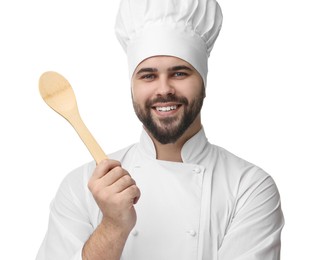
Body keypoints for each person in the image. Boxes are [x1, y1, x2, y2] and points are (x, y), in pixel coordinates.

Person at [36, 0, 284, 259]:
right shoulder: (82, 186)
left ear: (204, 82)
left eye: (179, 73)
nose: (164, 89)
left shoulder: (248, 187)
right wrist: (113, 226)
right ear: (132, 87)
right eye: (148, 75)